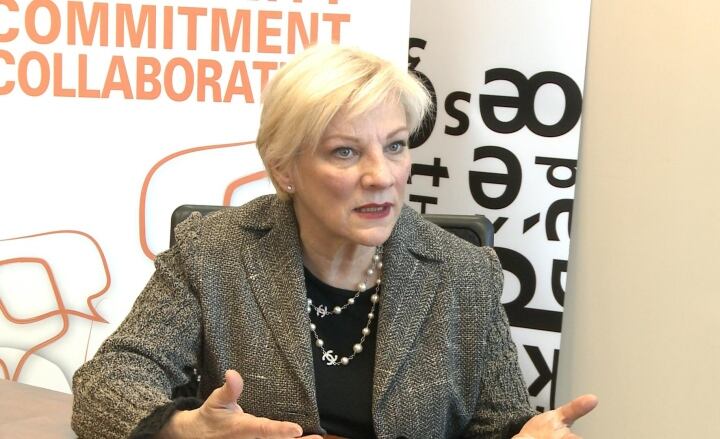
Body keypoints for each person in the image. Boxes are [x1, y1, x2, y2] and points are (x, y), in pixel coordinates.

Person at [71, 44, 597, 439]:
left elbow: (501, 423)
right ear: (285, 170)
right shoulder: (211, 253)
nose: (381, 175)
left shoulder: (463, 271)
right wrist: (183, 429)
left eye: (394, 146)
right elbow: (103, 389)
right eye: (346, 152)